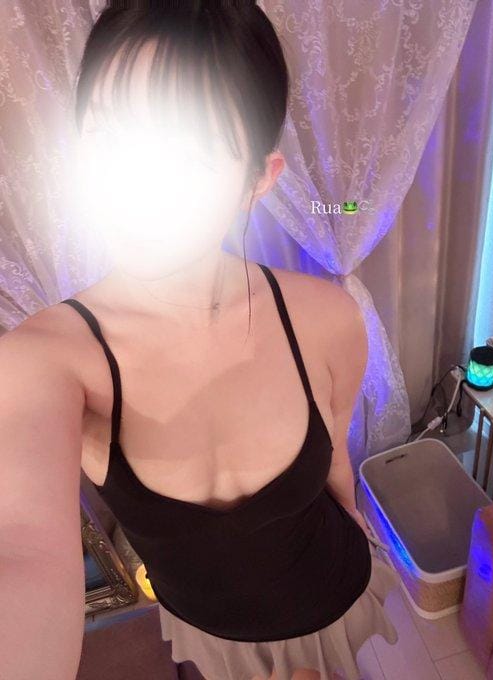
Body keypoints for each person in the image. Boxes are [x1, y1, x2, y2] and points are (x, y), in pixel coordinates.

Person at [0, 2, 399, 679]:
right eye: (109, 138)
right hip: (208, 629)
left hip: (333, 590)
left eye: (185, 153)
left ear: (257, 180)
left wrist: (355, 517)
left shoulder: (327, 318)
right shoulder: (44, 362)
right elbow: (21, 549)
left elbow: (334, 449)